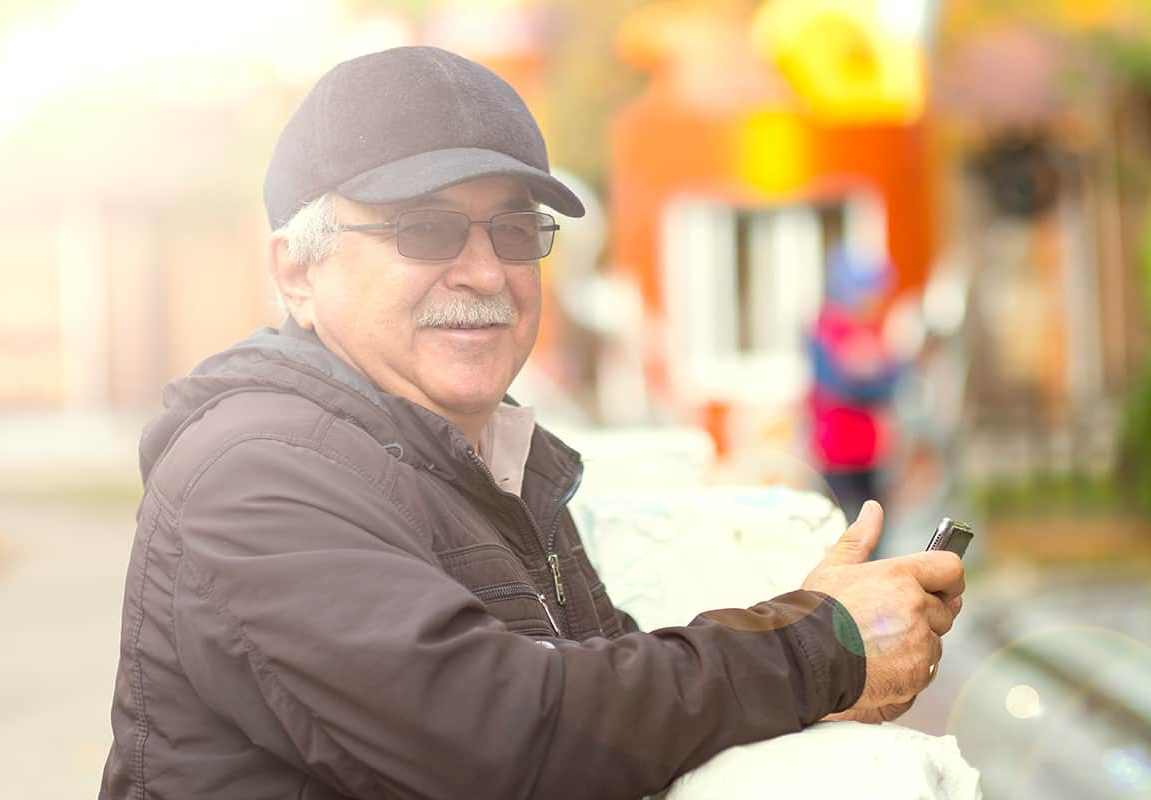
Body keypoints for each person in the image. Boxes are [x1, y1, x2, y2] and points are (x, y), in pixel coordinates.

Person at [100, 46, 964, 800]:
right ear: (296, 272)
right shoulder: (254, 471)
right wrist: (823, 646)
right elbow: (490, 732)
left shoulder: (482, 456)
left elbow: (611, 695)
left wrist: (811, 634)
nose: (485, 271)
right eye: (429, 229)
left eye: (514, 231)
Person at [807, 244, 903, 553]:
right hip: (836, 452)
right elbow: (841, 386)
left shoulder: (868, 331)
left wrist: (869, 374)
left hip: (870, 451)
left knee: (876, 531)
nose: (876, 300)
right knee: (845, 534)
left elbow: (892, 382)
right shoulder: (824, 330)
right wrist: (868, 376)